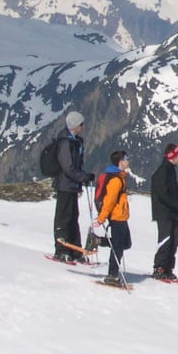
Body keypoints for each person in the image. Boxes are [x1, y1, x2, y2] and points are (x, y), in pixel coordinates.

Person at [52, 111, 95, 262]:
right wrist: (83, 177)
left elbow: (74, 165)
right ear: (75, 125)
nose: (82, 127)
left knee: (72, 217)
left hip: (71, 185)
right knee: (64, 218)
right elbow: (68, 167)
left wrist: (83, 177)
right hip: (65, 185)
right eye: (81, 124)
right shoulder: (65, 142)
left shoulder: (75, 141)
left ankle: (74, 250)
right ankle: (61, 249)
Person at [150, 143, 178, 281]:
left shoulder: (170, 170)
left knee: (174, 239)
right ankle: (159, 268)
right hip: (164, 212)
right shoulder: (163, 171)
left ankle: (167, 268)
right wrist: (177, 206)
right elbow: (163, 195)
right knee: (165, 240)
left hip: (171, 212)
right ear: (172, 156)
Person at [95, 150, 132, 286]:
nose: (128, 161)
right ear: (121, 162)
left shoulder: (119, 176)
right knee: (118, 246)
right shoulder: (116, 180)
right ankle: (112, 274)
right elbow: (109, 201)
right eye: (127, 159)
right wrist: (102, 217)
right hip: (116, 217)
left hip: (121, 216)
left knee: (126, 243)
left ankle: (98, 241)